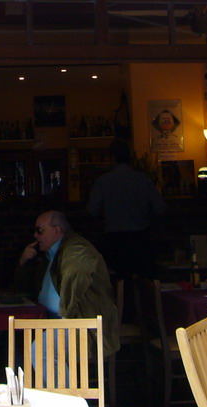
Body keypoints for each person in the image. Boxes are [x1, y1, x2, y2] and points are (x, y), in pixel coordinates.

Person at [14, 210, 119, 359]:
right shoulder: (49, 256)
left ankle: (65, 383)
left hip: (80, 324)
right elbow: (22, 290)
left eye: (40, 230)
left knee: (40, 350)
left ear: (57, 230)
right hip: (46, 320)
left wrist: (63, 320)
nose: (35, 236)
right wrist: (23, 263)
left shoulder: (75, 249)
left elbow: (74, 280)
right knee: (18, 345)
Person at [86, 140, 166, 280]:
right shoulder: (143, 179)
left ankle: (124, 301)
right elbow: (160, 208)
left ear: (113, 158)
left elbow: (92, 210)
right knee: (144, 281)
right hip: (141, 238)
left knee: (121, 281)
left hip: (116, 240)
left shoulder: (104, 182)